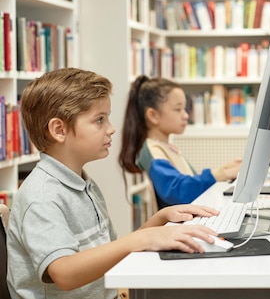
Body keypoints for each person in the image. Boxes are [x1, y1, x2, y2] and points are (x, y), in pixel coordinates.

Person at [7, 68, 223, 299]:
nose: (111, 128)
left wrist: (159, 220)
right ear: (59, 130)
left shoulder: (83, 184)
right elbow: (65, 273)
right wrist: (140, 239)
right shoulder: (41, 196)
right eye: (99, 120)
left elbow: (109, 252)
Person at [118, 75, 241, 209]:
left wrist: (224, 169)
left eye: (185, 109)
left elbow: (191, 180)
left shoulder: (164, 147)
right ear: (153, 115)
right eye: (178, 109)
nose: (186, 115)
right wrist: (224, 174)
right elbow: (178, 190)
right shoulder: (152, 150)